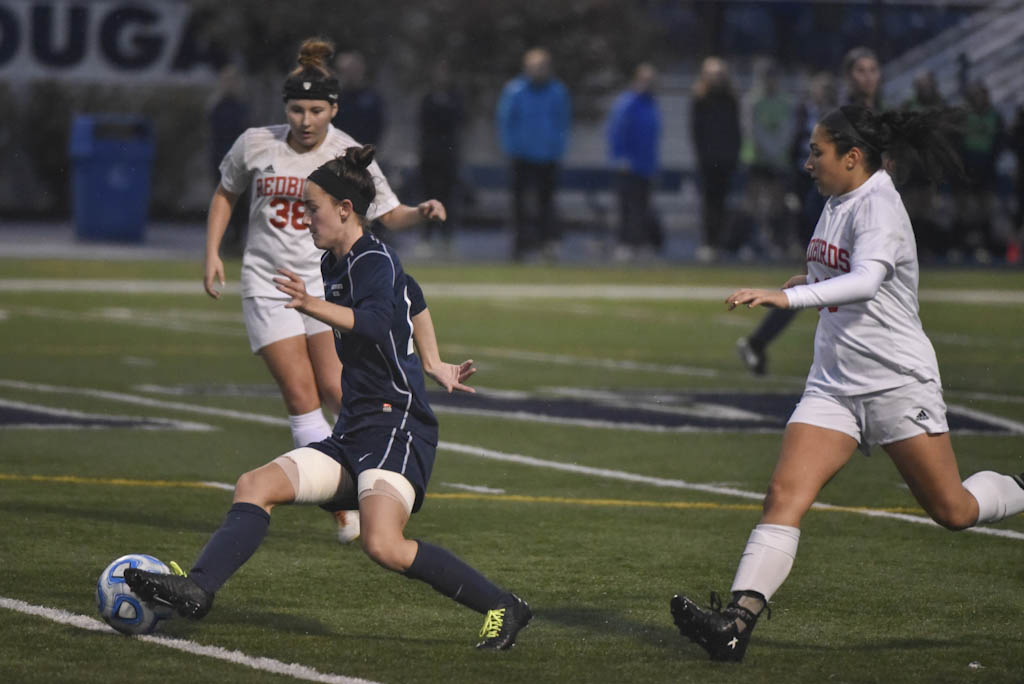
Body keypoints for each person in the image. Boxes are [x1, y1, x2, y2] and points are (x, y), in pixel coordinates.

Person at [126, 146, 532, 650]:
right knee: (255, 484)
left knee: (383, 545)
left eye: (312, 207)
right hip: (354, 430)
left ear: (345, 209)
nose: (304, 217)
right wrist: (432, 360)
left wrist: (312, 305)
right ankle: (198, 589)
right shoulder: (335, 259)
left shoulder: (375, 258)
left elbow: (379, 321)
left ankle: (502, 605)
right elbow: (416, 296)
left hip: (395, 426)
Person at [671, 104, 1024, 662]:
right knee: (783, 497)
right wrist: (806, 280)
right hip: (833, 386)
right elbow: (838, 272)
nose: (807, 162)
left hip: (896, 385)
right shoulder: (837, 201)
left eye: (817, 152)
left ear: (852, 157)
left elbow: (864, 282)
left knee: (953, 510)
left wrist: (789, 297)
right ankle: (736, 624)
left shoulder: (879, 204)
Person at [203, 37, 445, 540]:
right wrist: (211, 253)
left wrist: (419, 213)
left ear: (334, 108)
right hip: (269, 284)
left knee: (338, 388)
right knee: (299, 391)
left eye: (316, 109)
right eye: (296, 109)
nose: (305, 119)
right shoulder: (255, 143)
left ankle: (356, 477)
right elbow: (226, 192)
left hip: (327, 286)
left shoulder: (346, 154)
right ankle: (342, 508)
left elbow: (385, 212)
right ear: (284, 108)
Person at [736, 46, 881, 375]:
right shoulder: (838, 116)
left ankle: (760, 342)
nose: (868, 77)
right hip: (836, 204)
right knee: (837, 279)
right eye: (861, 71)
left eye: (873, 70)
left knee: (841, 281)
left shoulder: (866, 113)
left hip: (858, 205)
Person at [497, 47, 571, 261]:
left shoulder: (557, 92)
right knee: (519, 204)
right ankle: (519, 246)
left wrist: (557, 149)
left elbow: (563, 122)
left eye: (543, 67)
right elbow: (506, 121)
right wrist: (512, 148)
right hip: (522, 157)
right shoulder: (515, 91)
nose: (539, 71)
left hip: (548, 157)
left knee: (547, 204)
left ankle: (547, 244)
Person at [607, 62, 663, 261]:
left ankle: (640, 243)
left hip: (646, 165)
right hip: (628, 165)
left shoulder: (651, 104)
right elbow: (616, 131)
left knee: (643, 207)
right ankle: (625, 243)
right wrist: (620, 157)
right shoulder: (627, 102)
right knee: (627, 206)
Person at [691, 56, 741, 262]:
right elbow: (696, 131)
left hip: (726, 159)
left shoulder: (731, 100)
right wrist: (702, 155)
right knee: (708, 203)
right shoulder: (700, 100)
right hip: (708, 160)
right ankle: (708, 242)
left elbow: (735, 130)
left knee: (723, 203)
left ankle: (721, 242)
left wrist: (734, 154)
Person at [417, 59, 465, 257]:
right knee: (429, 198)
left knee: (448, 198)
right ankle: (427, 238)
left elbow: (460, 123)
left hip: (449, 155)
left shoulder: (456, 98)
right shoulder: (427, 98)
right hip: (430, 155)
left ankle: (447, 239)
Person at [331, 51, 386, 147]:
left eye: (354, 70)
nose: (350, 75)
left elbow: (377, 127)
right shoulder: (332, 99)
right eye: (345, 71)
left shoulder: (371, 98)